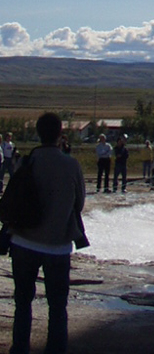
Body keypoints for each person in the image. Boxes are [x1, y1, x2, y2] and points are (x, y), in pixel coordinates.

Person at [9, 111, 86, 354]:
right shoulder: (71, 164)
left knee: (22, 303)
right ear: (60, 134)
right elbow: (79, 204)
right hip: (58, 245)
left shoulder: (27, 161)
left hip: (23, 241)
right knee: (57, 306)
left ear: (38, 134)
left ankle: (20, 349)